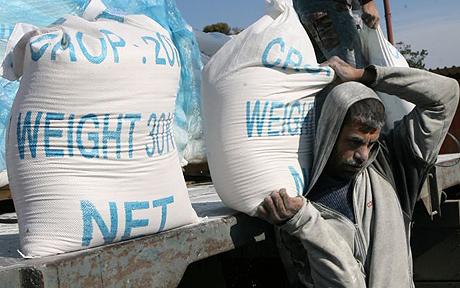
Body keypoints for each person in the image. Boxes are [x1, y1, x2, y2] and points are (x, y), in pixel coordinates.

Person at [256, 56, 460, 287]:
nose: (364, 155)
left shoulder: (391, 165)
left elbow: (447, 94)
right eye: (354, 142)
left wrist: (365, 76)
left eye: (371, 143)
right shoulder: (300, 198)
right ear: (330, 132)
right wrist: (306, 223)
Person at [293, 0, 380, 68]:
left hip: (307, 9)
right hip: (330, 8)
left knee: (329, 73)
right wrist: (367, 2)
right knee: (351, 70)